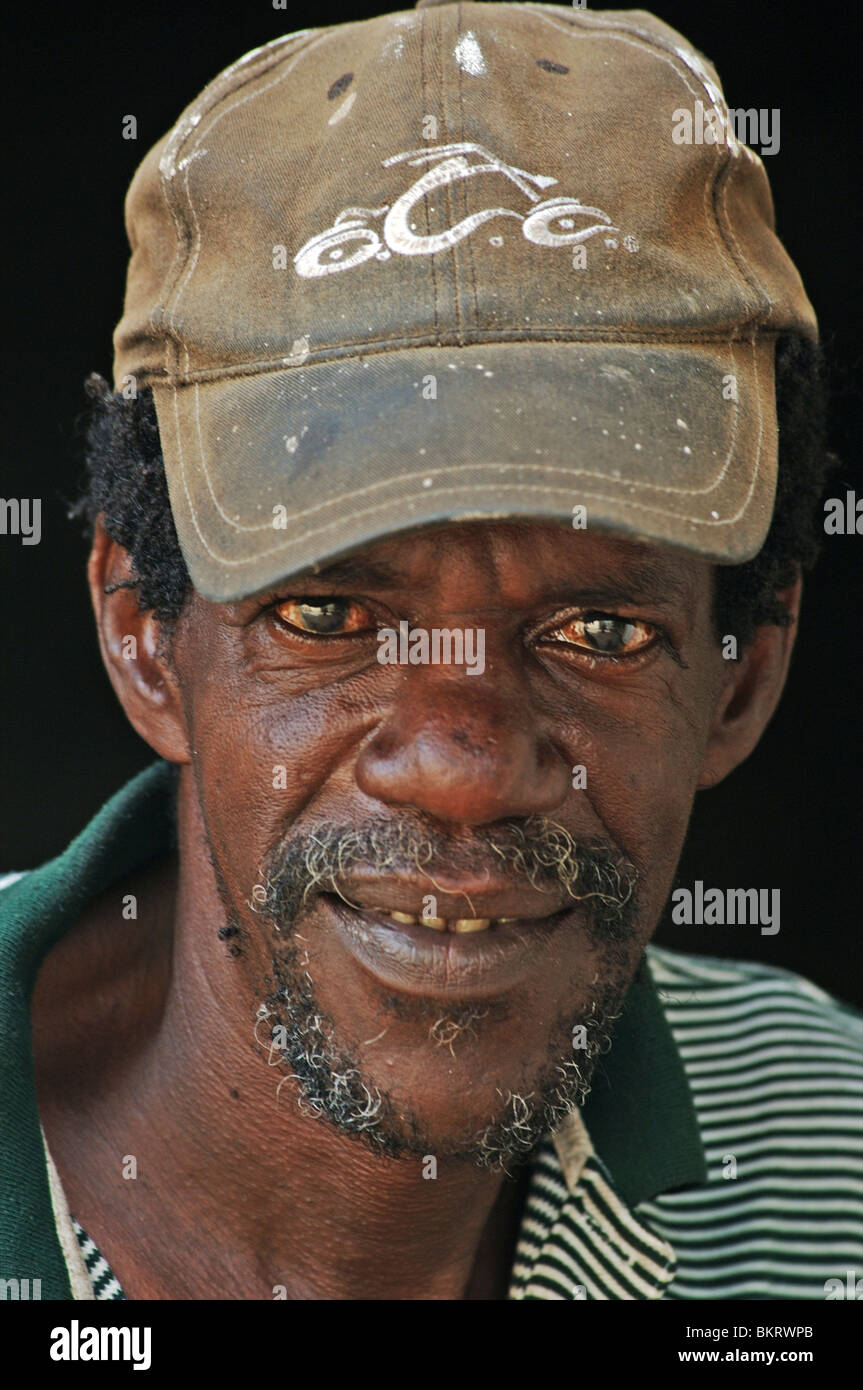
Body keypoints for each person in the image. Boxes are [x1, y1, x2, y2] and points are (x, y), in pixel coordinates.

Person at [2, 1, 860, 1302]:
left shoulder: (833, 1150)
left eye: (600, 632)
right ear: (143, 638)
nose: (461, 769)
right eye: (328, 616)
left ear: (744, 674)